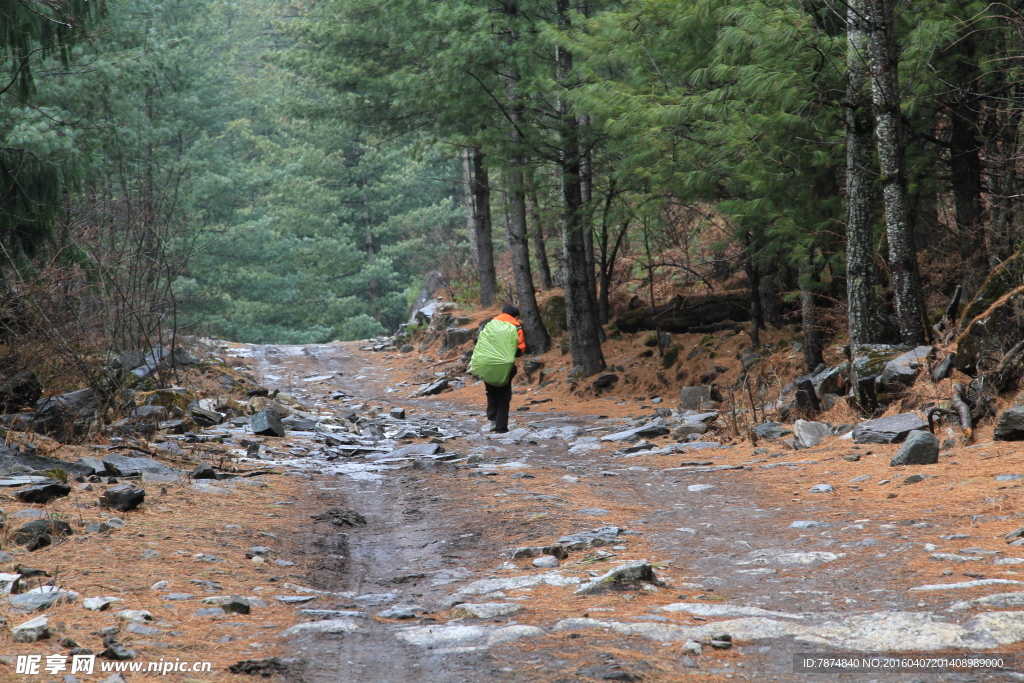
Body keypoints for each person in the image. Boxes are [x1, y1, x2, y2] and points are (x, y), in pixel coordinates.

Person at [469, 304, 526, 433]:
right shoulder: (516, 327)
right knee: (503, 395)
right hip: (503, 366)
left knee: (491, 392)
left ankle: (493, 420)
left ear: (502, 313)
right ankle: (501, 428)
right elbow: (519, 349)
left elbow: (481, 343)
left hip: (485, 364)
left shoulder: (490, 324)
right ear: (516, 316)